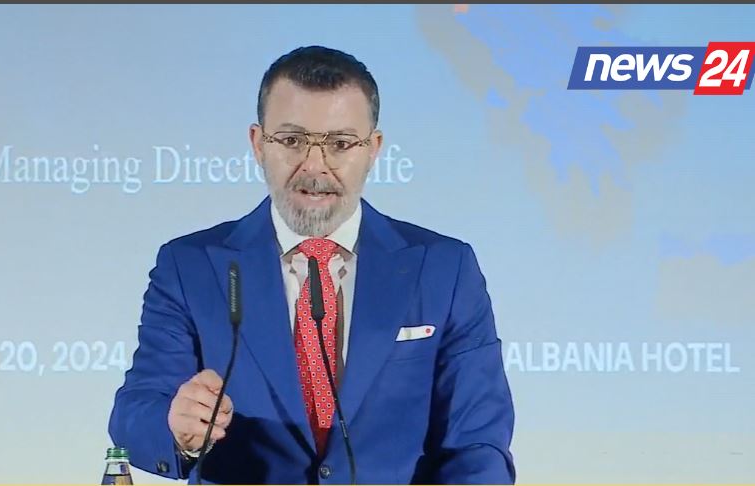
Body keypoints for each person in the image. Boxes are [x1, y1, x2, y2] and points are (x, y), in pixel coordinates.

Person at [109, 45, 515, 484]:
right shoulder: (190, 266)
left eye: (340, 144)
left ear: (373, 149)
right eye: (292, 141)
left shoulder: (444, 269)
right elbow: (136, 410)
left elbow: (478, 442)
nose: (315, 166)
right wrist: (176, 426)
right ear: (258, 144)